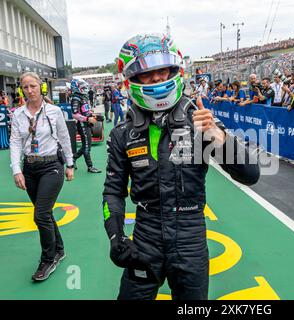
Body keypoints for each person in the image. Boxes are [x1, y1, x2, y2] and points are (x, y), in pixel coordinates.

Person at [103, 33, 260, 300]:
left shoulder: (200, 120)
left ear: (175, 70)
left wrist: (218, 138)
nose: (156, 79)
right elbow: (112, 192)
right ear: (132, 80)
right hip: (146, 234)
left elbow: (250, 175)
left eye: (162, 70)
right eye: (146, 73)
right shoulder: (122, 132)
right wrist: (116, 237)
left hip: (190, 236)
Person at [9, 72, 75, 281]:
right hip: (29, 169)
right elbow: (15, 143)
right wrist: (16, 170)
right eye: (25, 87)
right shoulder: (18, 114)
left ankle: (48, 259)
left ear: (41, 87)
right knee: (44, 212)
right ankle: (60, 249)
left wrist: (70, 164)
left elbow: (65, 138)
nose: (30, 91)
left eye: (33, 86)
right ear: (21, 90)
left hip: (51, 167)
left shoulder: (54, 111)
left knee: (40, 215)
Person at [70, 78, 102, 173]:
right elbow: (74, 114)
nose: (84, 87)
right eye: (81, 85)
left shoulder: (82, 97)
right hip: (82, 125)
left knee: (86, 145)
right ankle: (90, 166)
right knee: (87, 146)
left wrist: (91, 114)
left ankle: (73, 159)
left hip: (87, 123)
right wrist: (87, 119)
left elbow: (84, 111)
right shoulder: (76, 98)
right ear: (76, 87)